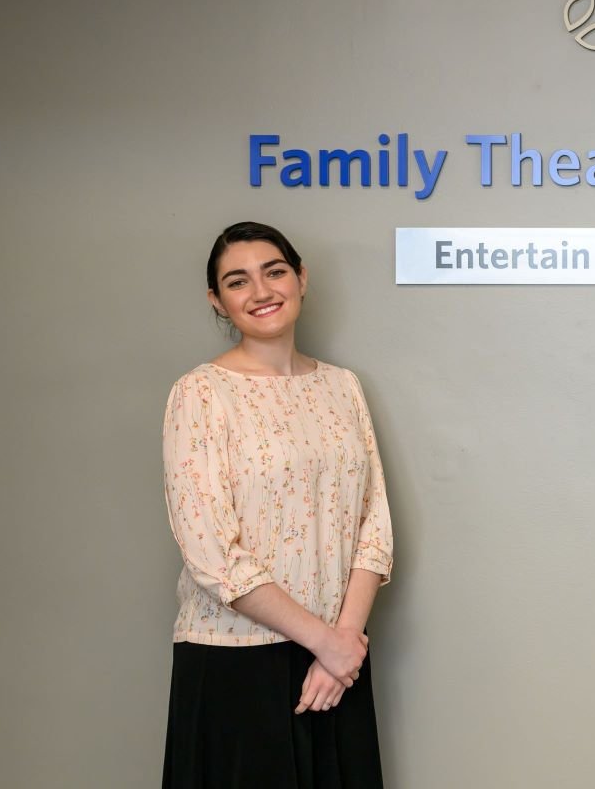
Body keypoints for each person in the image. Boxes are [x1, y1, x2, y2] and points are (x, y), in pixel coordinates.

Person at [162, 221, 394, 789]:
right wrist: (327, 642)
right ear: (217, 300)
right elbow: (212, 552)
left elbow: (374, 525)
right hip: (238, 660)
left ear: (301, 279)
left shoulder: (344, 386)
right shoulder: (200, 393)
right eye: (237, 281)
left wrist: (343, 643)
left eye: (275, 272)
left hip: (338, 661)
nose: (261, 291)